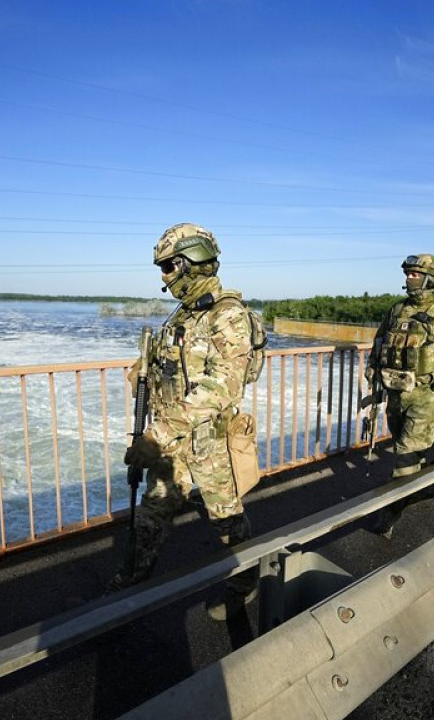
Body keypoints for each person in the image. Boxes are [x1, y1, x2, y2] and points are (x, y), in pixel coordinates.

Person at [109, 222, 260, 621]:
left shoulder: (226, 315)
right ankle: (132, 582)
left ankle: (244, 581)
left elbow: (223, 386)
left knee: (226, 518)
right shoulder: (184, 315)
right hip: (174, 442)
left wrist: (155, 435)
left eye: (167, 267)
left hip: (208, 444)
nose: (164, 277)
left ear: (189, 262)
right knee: (152, 514)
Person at [366, 254, 434, 538]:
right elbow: (379, 344)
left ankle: (389, 513)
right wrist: (373, 373)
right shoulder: (397, 310)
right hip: (395, 394)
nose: (409, 278)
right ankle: (420, 486)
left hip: (426, 397)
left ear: (431, 279)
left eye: (415, 274)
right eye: (408, 274)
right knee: (408, 451)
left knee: (404, 455)